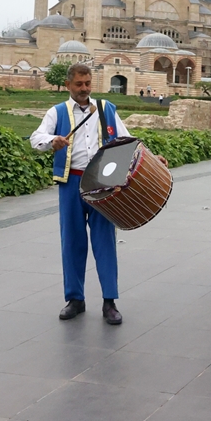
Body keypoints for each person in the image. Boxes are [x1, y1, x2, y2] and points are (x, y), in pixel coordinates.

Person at [30, 63, 131, 325]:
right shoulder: (57, 111)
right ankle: (75, 298)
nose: (85, 89)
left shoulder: (106, 109)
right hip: (71, 183)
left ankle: (110, 301)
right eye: (79, 84)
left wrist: (151, 159)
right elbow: (35, 138)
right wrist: (52, 141)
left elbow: (126, 140)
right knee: (72, 242)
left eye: (88, 83)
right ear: (68, 85)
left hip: (101, 184)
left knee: (105, 241)